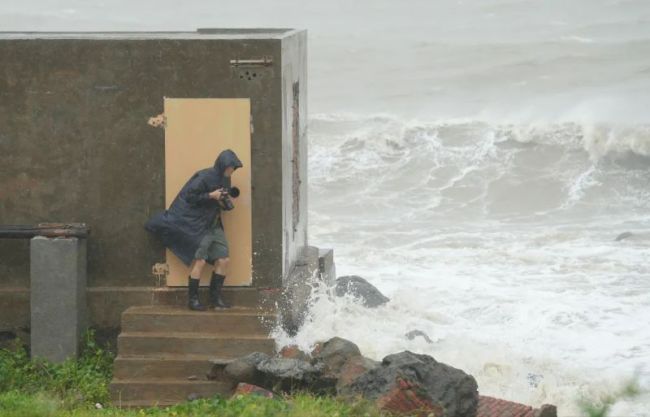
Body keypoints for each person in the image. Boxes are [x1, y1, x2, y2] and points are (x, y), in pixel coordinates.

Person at [145, 149, 243, 311]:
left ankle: (216, 298)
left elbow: (221, 203)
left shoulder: (226, 180)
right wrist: (210, 195)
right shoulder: (204, 177)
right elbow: (189, 197)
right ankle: (193, 300)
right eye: (231, 167)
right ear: (223, 164)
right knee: (200, 261)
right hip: (198, 225)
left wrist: (224, 202)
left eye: (234, 167)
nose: (232, 170)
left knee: (224, 259)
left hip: (214, 223)